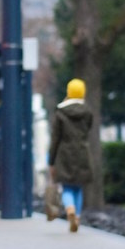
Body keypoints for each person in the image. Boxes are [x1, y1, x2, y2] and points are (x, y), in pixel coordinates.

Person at [48, 78, 94, 232]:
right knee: (78, 187)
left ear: (68, 92)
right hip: (82, 152)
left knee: (67, 187)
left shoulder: (61, 112)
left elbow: (56, 138)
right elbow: (87, 130)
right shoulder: (87, 112)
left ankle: (70, 210)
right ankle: (78, 217)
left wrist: (51, 160)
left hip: (64, 153)